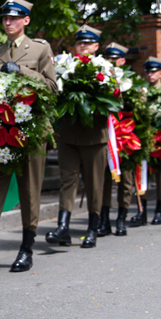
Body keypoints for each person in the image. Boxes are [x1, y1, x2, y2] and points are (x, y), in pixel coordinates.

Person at [0, 0, 57, 271]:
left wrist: (22, 70)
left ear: (26, 21)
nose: (8, 22)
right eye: (5, 18)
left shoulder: (40, 50)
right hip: (0, 131)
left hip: (30, 130)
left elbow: (52, 88)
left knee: (29, 188)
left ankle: (26, 248)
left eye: (14, 18)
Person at [46, 25, 107, 249]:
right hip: (69, 134)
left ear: (96, 46)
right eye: (80, 43)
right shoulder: (65, 66)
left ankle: (92, 228)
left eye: (88, 43)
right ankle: (63, 227)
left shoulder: (105, 69)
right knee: (67, 180)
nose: (83, 46)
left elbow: (114, 100)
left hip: (94, 136)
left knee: (94, 184)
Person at [129, 57, 161, 226]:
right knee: (141, 175)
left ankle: (159, 211)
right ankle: (142, 211)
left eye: (154, 71)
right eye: (148, 71)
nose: (150, 74)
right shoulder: (141, 90)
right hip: (144, 139)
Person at [98, 42, 134, 236]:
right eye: (108, 59)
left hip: (125, 136)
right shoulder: (101, 78)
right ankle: (104, 220)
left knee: (125, 181)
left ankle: (121, 218)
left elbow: (136, 110)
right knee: (105, 180)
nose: (111, 62)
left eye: (115, 59)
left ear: (122, 61)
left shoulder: (131, 84)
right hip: (107, 135)